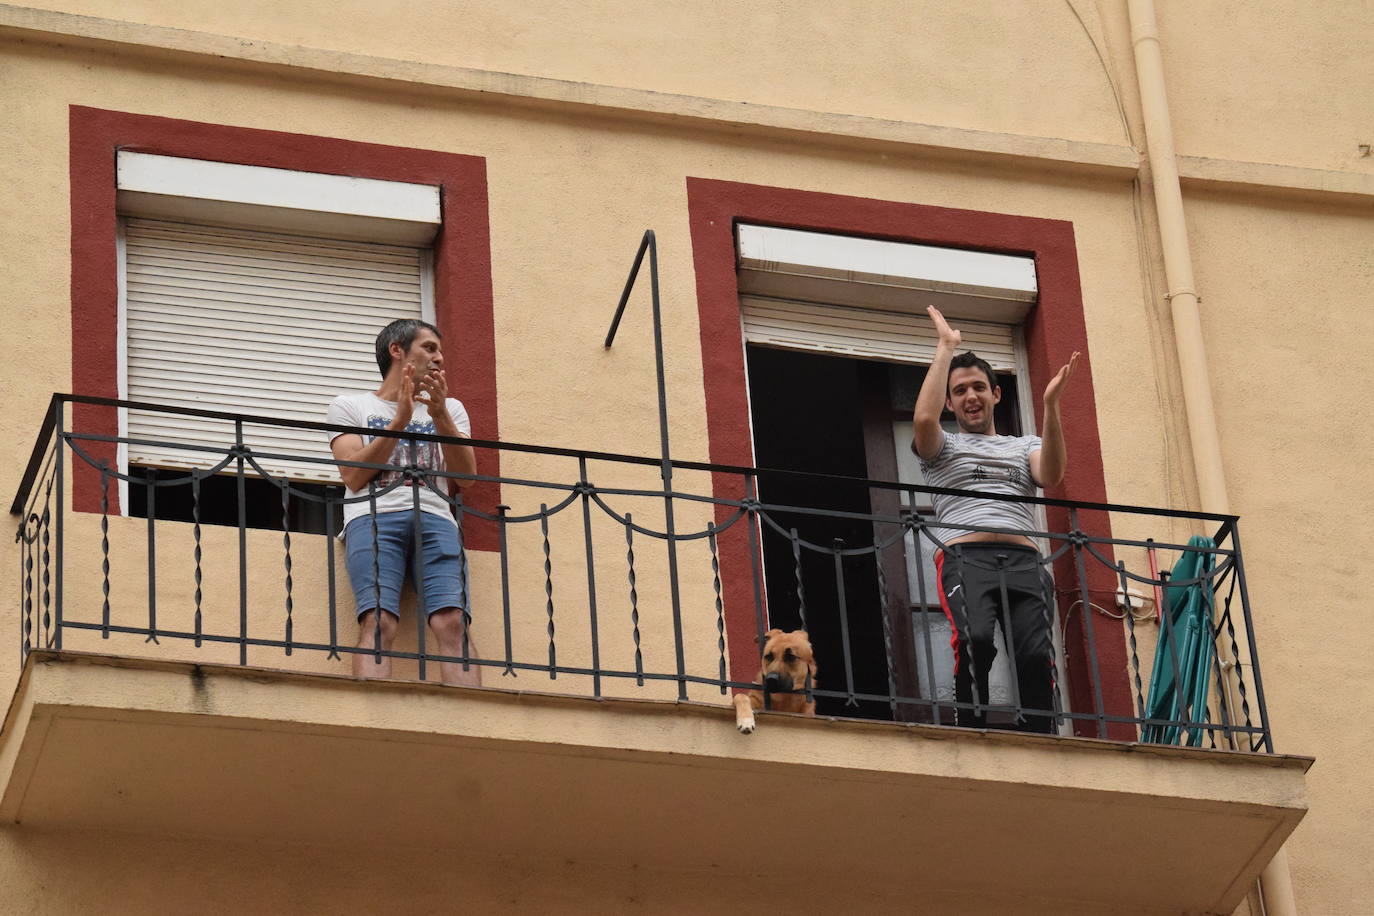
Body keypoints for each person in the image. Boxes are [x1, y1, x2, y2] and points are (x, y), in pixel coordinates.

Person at [911, 305, 1080, 733]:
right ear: (950, 401)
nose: (971, 396)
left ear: (996, 394)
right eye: (961, 390)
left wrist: (1050, 406)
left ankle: (1040, 737)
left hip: (1024, 561)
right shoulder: (941, 448)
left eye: (980, 387)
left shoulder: (1024, 445)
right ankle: (972, 728)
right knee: (975, 640)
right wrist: (946, 349)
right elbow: (923, 419)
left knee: (1033, 654)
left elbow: (1052, 475)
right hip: (967, 557)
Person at [326, 318, 479, 686]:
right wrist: (400, 421)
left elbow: (467, 479)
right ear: (397, 351)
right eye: (429, 348)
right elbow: (353, 475)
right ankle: (375, 719)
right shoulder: (349, 406)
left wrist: (439, 414)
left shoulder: (452, 409)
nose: (440, 358)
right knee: (378, 620)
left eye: (440, 350)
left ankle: (471, 723)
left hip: (438, 519)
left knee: (453, 622)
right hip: (373, 519)